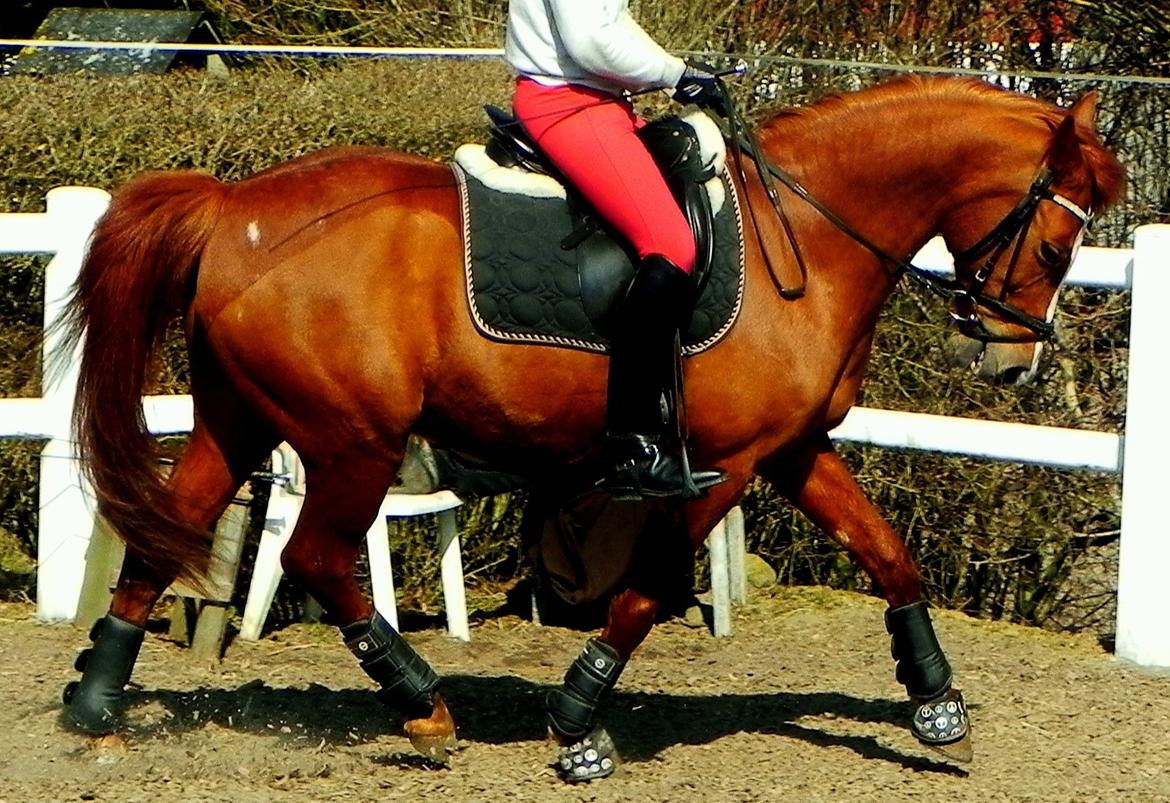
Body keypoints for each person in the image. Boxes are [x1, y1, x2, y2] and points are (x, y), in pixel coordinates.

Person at [505, 0, 728, 500]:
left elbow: (612, 23)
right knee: (671, 247)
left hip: (603, 102)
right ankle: (632, 445)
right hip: (569, 105)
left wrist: (679, 73)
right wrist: (675, 72)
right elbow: (591, 40)